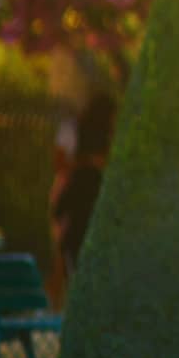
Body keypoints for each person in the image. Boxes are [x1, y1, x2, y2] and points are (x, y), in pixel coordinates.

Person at [51, 92, 116, 281]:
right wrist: (87, 163)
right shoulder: (73, 130)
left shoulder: (108, 137)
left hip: (89, 197)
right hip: (74, 193)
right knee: (63, 255)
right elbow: (59, 163)